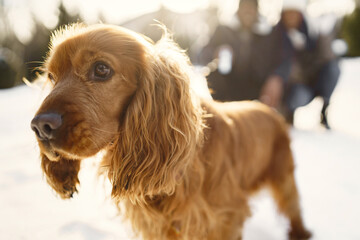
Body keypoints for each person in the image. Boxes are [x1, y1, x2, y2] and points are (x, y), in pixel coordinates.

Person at [260, 0, 340, 129]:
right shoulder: (274, 35)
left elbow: (325, 59)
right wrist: (276, 77)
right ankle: (288, 112)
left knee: (333, 68)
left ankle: (324, 107)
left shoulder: (312, 33)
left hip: (310, 80)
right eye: (288, 13)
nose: (291, 17)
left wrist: (323, 37)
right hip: (289, 85)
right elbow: (270, 63)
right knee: (298, 96)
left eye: (295, 13)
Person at [198, 0, 273, 101]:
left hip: (255, 91)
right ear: (238, 10)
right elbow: (203, 55)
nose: (248, 11)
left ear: (257, 11)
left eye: (251, 8)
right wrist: (215, 54)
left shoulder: (266, 35)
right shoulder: (223, 31)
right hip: (227, 90)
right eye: (245, 7)